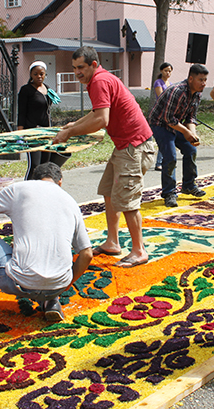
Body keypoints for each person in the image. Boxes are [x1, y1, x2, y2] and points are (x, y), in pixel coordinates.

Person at [53, 46, 156, 268]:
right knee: (109, 192)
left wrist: (69, 132)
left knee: (127, 200)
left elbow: (102, 120)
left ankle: (139, 250)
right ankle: (112, 242)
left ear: (93, 65)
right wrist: (75, 124)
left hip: (135, 146)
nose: (76, 72)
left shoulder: (99, 81)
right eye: (73, 68)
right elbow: (96, 112)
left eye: (80, 67)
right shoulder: (98, 79)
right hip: (125, 146)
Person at [0, 162, 93, 321]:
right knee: (51, 249)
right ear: (60, 182)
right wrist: (65, 284)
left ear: (34, 179)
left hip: (18, 283)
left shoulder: (19, 189)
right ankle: (51, 300)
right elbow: (87, 254)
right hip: (58, 286)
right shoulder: (71, 201)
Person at [149, 64, 209, 207]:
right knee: (170, 156)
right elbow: (168, 118)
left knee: (191, 150)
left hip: (175, 123)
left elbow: (191, 118)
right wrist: (186, 132)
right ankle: (169, 193)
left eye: (205, 80)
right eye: (200, 80)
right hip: (160, 124)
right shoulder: (178, 91)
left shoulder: (197, 94)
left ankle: (189, 185)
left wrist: (192, 135)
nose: (203, 83)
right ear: (190, 79)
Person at [17, 60, 66, 180]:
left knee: (45, 164)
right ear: (31, 75)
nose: (39, 77)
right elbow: (21, 112)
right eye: (35, 74)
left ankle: (41, 189)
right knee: (34, 164)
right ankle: (27, 188)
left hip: (46, 132)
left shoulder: (48, 89)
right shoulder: (26, 90)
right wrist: (20, 133)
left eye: (41, 74)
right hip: (32, 132)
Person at [152, 62, 173, 171]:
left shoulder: (170, 83)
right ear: (161, 71)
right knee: (163, 138)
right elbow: (161, 97)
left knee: (168, 138)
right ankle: (159, 163)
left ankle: (164, 161)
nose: (168, 73)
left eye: (169, 71)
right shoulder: (158, 82)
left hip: (169, 112)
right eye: (166, 70)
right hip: (160, 113)